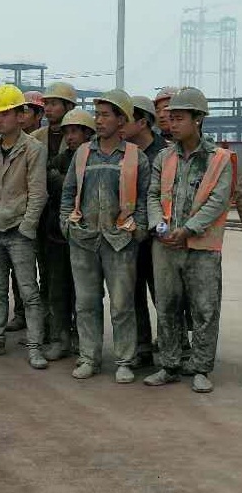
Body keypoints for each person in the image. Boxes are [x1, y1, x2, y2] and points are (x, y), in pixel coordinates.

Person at [145, 87, 233, 393]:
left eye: (179, 118)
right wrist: (160, 226)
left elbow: (217, 201)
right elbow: (153, 195)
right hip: (166, 246)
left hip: (202, 248)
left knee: (204, 309)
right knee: (167, 306)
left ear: (198, 119)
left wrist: (188, 229)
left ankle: (200, 368)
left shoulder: (219, 159)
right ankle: (169, 364)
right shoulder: (164, 157)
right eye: (171, 118)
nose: (172, 124)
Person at [60, 89, 150, 384]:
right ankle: (89, 357)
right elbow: (68, 193)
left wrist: (137, 231)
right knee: (86, 303)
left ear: (121, 120)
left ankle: (124, 361)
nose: (98, 121)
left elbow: (145, 199)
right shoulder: (83, 154)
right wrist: (67, 225)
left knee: (122, 305)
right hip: (84, 240)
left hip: (120, 242)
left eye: (105, 115)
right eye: (97, 115)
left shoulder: (135, 157)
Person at [0, 85, 49, 369]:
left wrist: (27, 227)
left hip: (19, 230)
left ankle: (35, 346)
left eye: (5, 114)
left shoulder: (33, 149)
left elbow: (38, 193)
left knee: (29, 292)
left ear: (20, 115)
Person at [40, 108, 95, 361]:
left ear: (87, 133)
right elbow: (54, 184)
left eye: (75, 131)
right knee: (58, 290)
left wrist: (62, 181)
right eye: (67, 132)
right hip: (58, 235)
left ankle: (82, 339)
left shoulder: (94, 160)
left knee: (85, 294)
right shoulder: (60, 160)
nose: (70, 137)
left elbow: (79, 189)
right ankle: (60, 339)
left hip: (87, 237)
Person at [124, 95, 166, 366]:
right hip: (131, 236)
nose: (120, 123)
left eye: (126, 118)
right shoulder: (124, 153)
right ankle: (142, 348)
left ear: (142, 122)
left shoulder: (164, 153)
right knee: (134, 293)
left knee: (164, 296)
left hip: (159, 237)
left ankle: (172, 346)